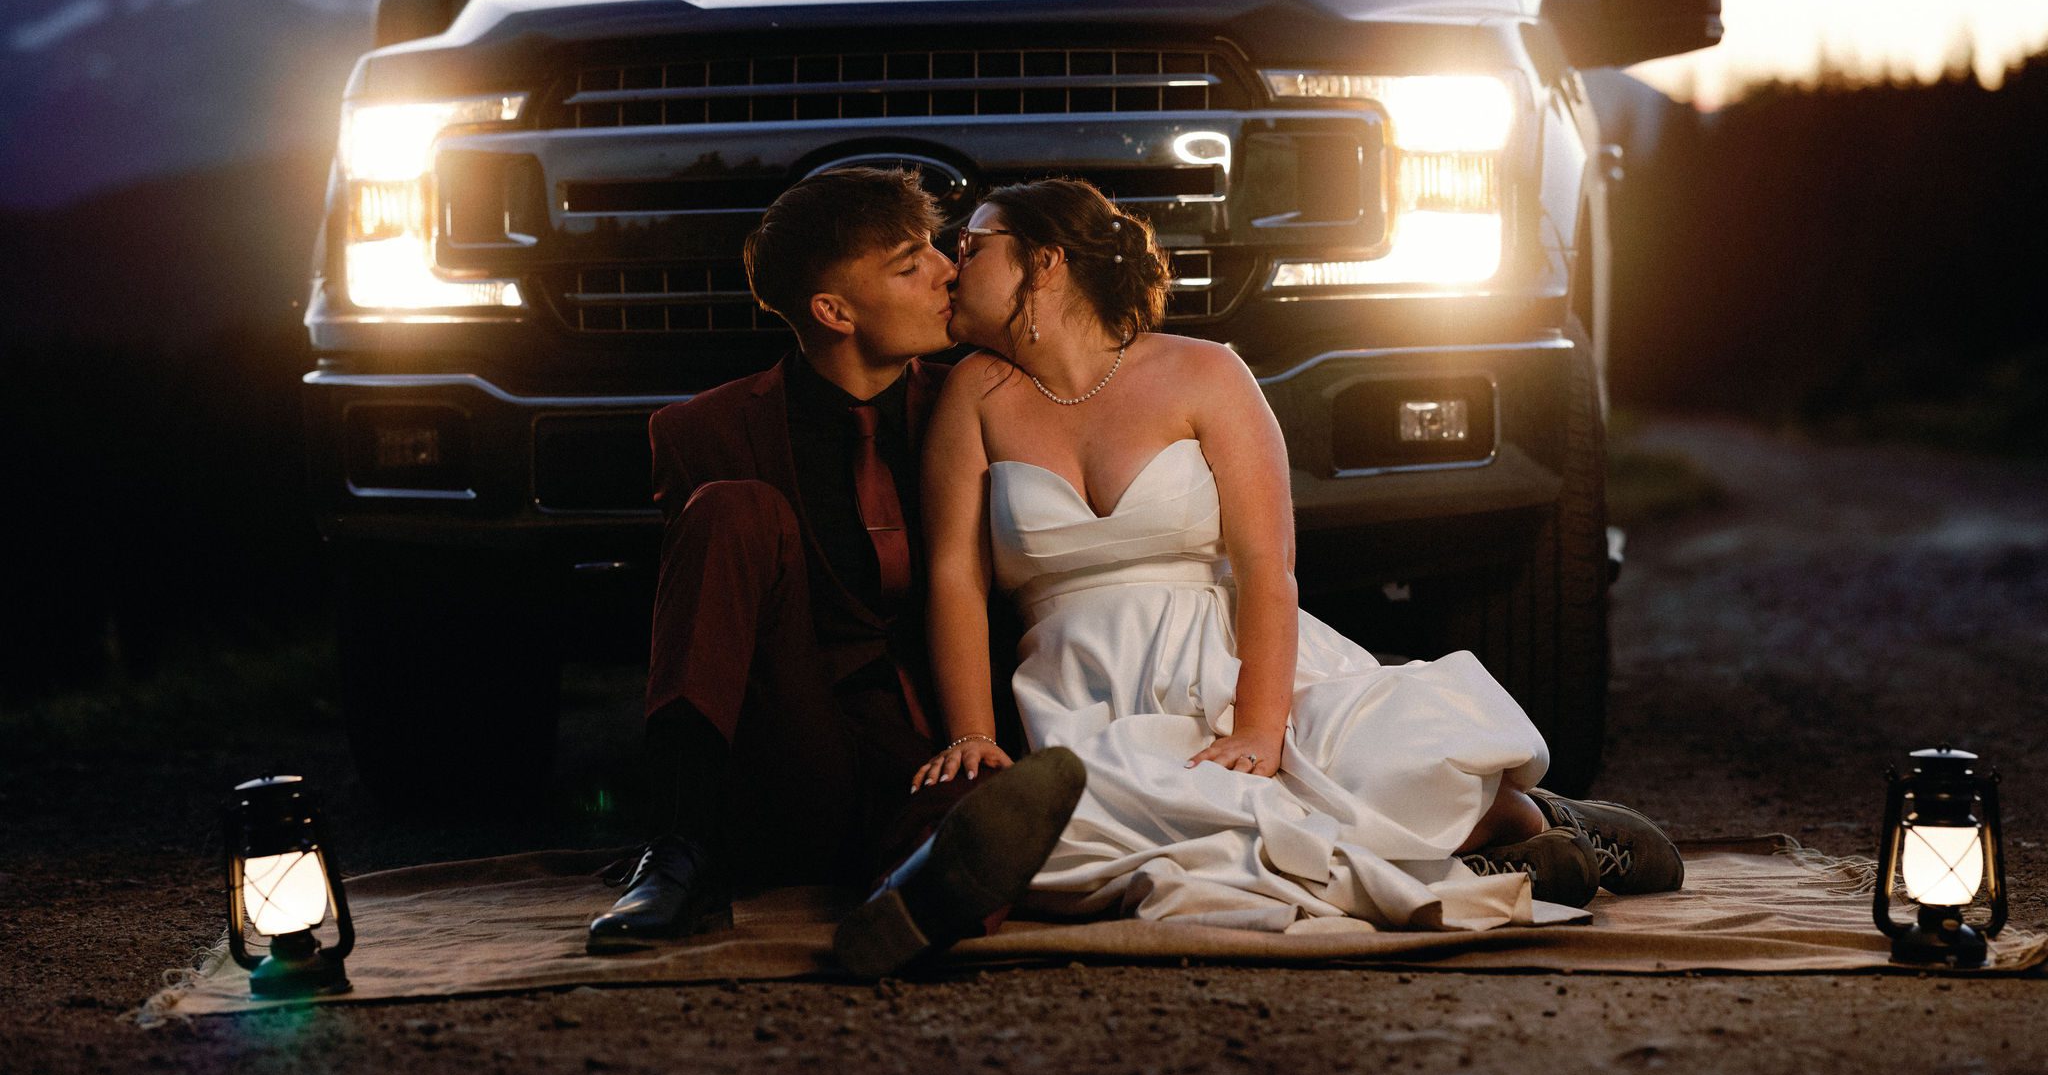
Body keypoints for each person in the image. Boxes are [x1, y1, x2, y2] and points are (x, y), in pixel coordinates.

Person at [919, 177, 1682, 931]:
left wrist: (1258, 728)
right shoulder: (973, 397)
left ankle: (1535, 822)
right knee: (1093, 845)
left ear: (1046, 261)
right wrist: (974, 735)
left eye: (972, 247)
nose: (952, 267)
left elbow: (1265, 566)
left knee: (1360, 768)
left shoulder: (1207, 373)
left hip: (1234, 654)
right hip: (1085, 693)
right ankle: (1485, 861)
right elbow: (954, 578)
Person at [588, 167, 1085, 974]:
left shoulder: (984, 399)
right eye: (907, 263)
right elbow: (710, 640)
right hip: (795, 751)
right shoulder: (701, 432)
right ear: (833, 312)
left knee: (980, 817)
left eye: (934, 247)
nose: (946, 269)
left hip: (941, 746)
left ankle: (913, 898)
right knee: (730, 507)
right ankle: (679, 851)